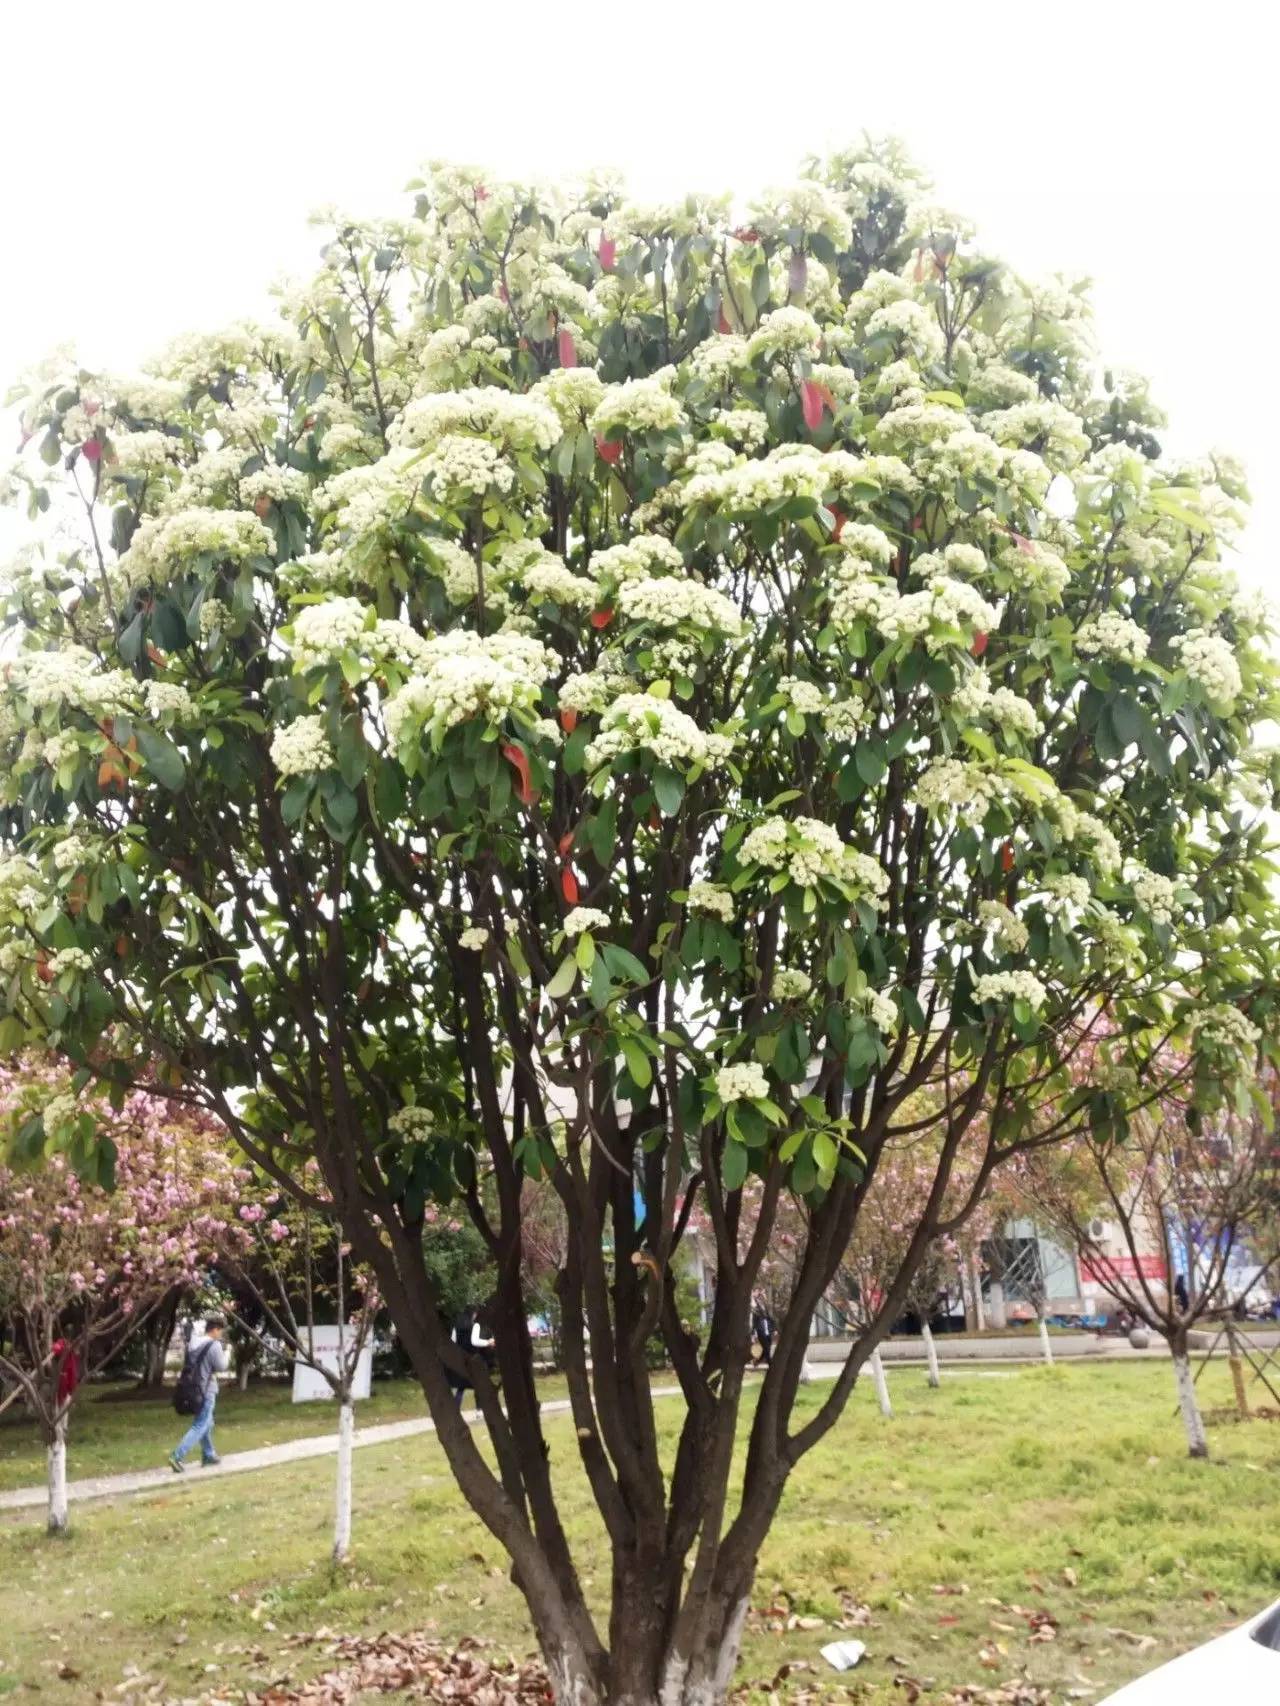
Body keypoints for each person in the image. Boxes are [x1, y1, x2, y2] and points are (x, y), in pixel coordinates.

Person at [168, 1316, 229, 1472]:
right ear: (215, 1330)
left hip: (192, 1389)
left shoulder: (194, 1343)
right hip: (206, 1390)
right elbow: (221, 1366)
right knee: (201, 1424)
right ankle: (177, 1455)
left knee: (206, 1423)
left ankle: (209, 1454)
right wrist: (227, 1352)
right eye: (220, 1331)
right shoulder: (214, 1345)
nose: (221, 1334)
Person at [751, 1293, 774, 1367]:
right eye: (760, 1298)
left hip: (768, 1330)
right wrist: (753, 1334)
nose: (762, 1299)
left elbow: (770, 1319)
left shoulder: (766, 1308)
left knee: (767, 1348)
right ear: (757, 1299)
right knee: (766, 1348)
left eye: (763, 1298)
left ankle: (757, 1362)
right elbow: (754, 1322)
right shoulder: (756, 1309)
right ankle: (771, 1365)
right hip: (760, 1330)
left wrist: (774, 1329)